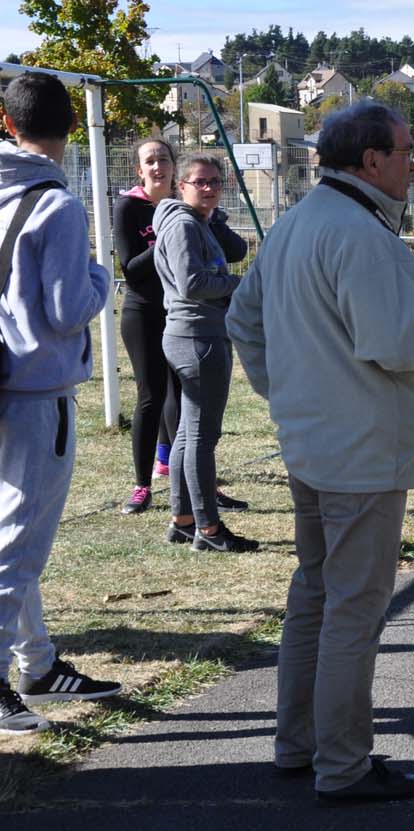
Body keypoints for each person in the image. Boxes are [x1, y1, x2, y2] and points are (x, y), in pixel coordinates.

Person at [227, 101, 414, 803]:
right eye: (403, 151)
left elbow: (244, 319)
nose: (413, 166)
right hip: (361, 454)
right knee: (353, 611)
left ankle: (297, 745)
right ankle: (342, 764)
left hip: (312, 444)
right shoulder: (365, 237)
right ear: (370, 161)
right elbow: (396, 344)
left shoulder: (296, 223)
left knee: (313, 596)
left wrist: (288, 393)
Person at [0, 71, 123, 733]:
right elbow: (68, 308)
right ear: (72, 127)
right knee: (18, 544)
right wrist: (102, 274)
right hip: (35, 390)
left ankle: (37, 663)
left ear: (5, 121)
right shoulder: (58, 205)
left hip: (3, 379)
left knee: (9, 534)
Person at [154, 154, 255, 552]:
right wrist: (236, 284)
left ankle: (182, 520)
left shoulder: (199, 221)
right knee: (200, 436)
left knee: (187, 433)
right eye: (200, 182)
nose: (210, 188)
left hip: (197, 334)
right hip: (197, 336)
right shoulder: (182, 224)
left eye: (215, 181)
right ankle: (208, 530)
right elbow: (192, 283)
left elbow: (229, 253)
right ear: (181, 186)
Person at [112, 138, 183, 514]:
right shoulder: (129, 207)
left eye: (164, 159)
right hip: (143, 313)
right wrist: (168, 238)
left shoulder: (184, 204)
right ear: (140, 170)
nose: (158, 166)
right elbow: (131, 270)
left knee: (184, 395)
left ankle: (187, 473)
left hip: (181, 313)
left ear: (174, 166)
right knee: (152, 395)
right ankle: (141, 486)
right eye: (150, 161)